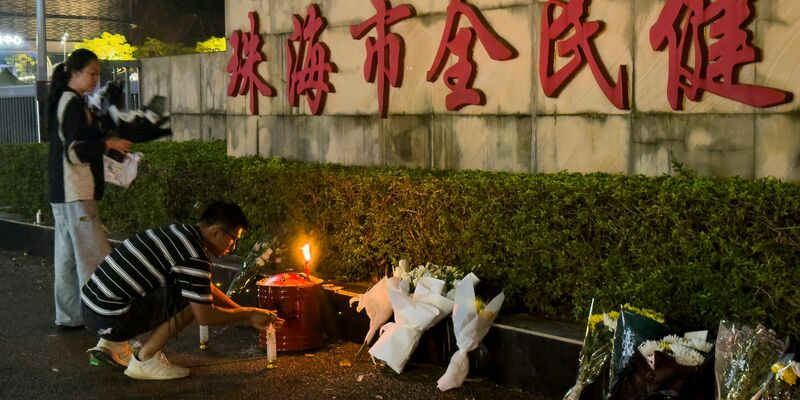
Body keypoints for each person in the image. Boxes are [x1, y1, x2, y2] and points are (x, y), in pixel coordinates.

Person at [81, 201, 284, 380]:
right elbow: (205, 316)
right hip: (112, 319)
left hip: (93, 309)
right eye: (233, 239)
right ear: (216, 231)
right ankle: (145, 360)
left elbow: (205, 288)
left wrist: (243, 312)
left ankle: (111, 344)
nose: (233, 247)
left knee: (191, 290)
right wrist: (248, 314)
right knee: (190, 300)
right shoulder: (194, 255)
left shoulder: (180, 233)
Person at [47, 48, 132, 330]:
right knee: (94, 256)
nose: (96, 79)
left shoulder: (67, 100)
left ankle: (69, 316)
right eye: (92, 73)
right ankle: (105, 320)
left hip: (64, 192)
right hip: (76, 191)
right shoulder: (72, 104)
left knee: (68, 258)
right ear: (74, 72)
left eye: (98, 73)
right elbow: (76, 151)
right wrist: (108, 144)